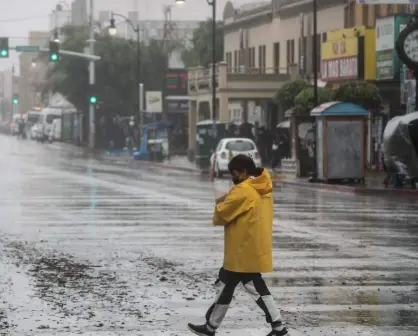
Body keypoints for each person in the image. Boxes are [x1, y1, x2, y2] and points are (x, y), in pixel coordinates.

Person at [188, 154, 288, 336]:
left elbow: (221, 214)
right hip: (248, 247)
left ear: (242, 173)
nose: (232, 177)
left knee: (256, 288)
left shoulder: (243, 190)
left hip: (242, 250)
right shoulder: (261, 188)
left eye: (234, 173)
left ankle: (278, 327)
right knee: (227, 284)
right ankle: (210, 326)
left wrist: (220, 198)